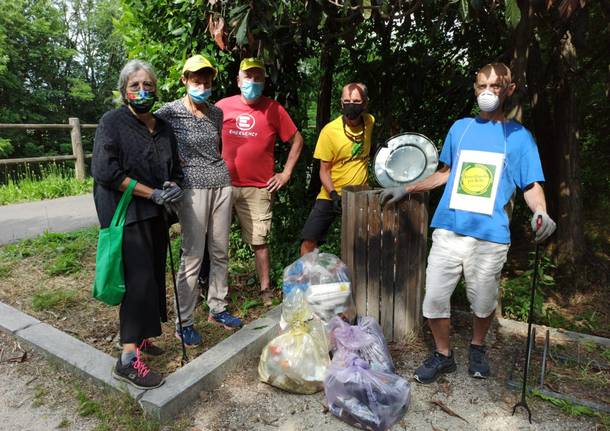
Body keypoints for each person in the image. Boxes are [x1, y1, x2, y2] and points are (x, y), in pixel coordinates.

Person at [380, 63, 556, 384]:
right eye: (482, 86)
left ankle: (477, 346)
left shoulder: (518, 137)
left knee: (484, 301)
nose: (488, 93)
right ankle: (443, 355)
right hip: (448, 229)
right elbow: (446, 173)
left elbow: (531, 185)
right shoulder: (460, 129)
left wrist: (540, 212)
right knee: (433, 298)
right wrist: (405, 187)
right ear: (474, 88)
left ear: (509, 90)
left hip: (490, 237)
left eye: (495, 86)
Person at [92, 59, 184, 389]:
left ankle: (143, 336)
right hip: (125, 211)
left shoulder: (162, 127)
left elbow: (175, 170)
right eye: (135, 86)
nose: (142, 91)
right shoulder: (112, 123)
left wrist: (174, 184)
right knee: (138, 279)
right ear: (123, 91)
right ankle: (127, 358)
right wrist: (151, 193)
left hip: (155, 212)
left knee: (152, 275)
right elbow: (106, 172)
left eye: (148, 85)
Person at [156, 55, 241, 341]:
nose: (202, 86)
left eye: (206, 81)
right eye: (196, 80)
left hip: (221, 184)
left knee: (219, 250)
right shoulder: (169, 112)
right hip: (191, 189)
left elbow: (215, 148)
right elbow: (150, 136)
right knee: (192, 255)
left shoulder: (216, 113)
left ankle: (217, 306)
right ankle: (184, 321)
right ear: (184, 80)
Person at [216, 58, 304, 305]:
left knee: (260, 241)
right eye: (248, 77)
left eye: (257, 77)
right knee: (217, 240)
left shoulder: (273, 109)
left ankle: (265, 290)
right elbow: (206, 138)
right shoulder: (222, 106)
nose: (252, 82)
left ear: (264, 81)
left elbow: (297, 140)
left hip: (259, 187)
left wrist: (285, 173)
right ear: (238, 80)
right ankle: (218, 292)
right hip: (224, 184)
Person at [300, 83, 374, 255]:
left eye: (356, 101)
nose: (351, 105)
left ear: (365, 103)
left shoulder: (369, 122)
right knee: (309, 240)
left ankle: (358, 278)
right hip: (331, 194)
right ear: (341, 103)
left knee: (364, 241)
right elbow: (324, 170)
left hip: (360, 194)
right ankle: (307, 278)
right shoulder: (329, 132)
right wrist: (333, 195)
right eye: (347, 101)